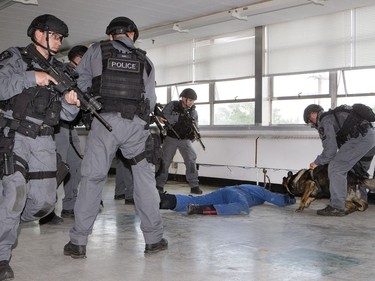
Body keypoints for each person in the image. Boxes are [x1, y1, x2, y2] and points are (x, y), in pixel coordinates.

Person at [63, 16, 167, 259]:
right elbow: (150, 100)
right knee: (144, 181)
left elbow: (81, 85)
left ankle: (78, 243)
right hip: (136, 127)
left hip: (103, 123)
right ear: (132, 34)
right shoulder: (146, 60)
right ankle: (154, 239)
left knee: (92, 179)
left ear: (111, 35)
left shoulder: (96, 50)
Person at [0, 14, 80, 280]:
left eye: (60, 38)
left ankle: (5, 221)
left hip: (44, 140)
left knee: (45, 202)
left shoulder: (60, 70)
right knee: (14, 197)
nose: (59, 41)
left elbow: (67, 117)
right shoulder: (15, 57)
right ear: (38, 34)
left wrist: (71, 102)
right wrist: (32, 77)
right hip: (15, 135)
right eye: (55, 36)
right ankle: (2, 256)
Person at [303, 104, 375, 216]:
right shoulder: (334, 116)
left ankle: (336, 207)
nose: (312, 123)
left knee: (335, 168)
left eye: (310, 120)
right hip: (370, 136)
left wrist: (317, 162)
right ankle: (361, 201)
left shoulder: (325, 120)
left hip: (361, 139)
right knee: (358, 170)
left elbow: (330, 151)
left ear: (313, 113)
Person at [155, 88, 203, 194]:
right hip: (171, 138)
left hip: (185, 140)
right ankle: (159, 185)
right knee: (165, 161)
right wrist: (178, 118)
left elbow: (196, 126)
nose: (191, 103)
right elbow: (163, 117)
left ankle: (194, 185)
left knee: (191, 161)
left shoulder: (193, 111)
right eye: (190, 100)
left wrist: (194, 133)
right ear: (183, 98)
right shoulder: (173, 105)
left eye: (192, 101)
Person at [159, 184, 296, 215]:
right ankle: (202, 210)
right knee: (243, 208)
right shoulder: (261, 190)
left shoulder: (251, 187)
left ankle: (165, 200)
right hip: (234, 193)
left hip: (224, 192)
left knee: (197, 199)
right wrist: (291, 199)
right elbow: (276, 199)